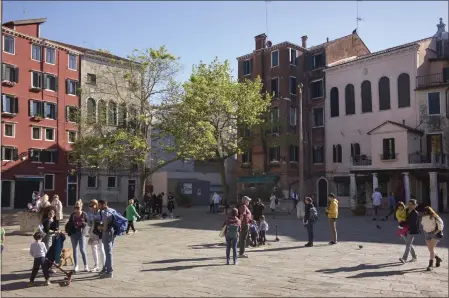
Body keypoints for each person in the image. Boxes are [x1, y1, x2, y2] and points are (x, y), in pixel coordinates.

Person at [67, 200, 89, 273]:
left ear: (81, 207)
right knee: (75, 250)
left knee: (82, 250)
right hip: (73, 234)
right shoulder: (72, 215)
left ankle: (86, 265)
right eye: (75, 207)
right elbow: (69, 223)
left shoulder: (84, 214)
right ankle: (76, 266)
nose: (76, 209)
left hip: (81, 233)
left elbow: (87, 223)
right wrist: (73, 224)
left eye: (78, 207)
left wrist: (82, 223)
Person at [421, 206, 444, 271]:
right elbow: (422, 224)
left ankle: (430, 265)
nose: (425, 212)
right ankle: (438, 258)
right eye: (425, 211)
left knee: (431, 249)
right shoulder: (424, 217)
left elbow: (441, 225)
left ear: (430, 211)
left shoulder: (435, 217)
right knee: (430, 250)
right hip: (426, 233)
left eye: (427, 211)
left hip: (434, 233)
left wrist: (436, 232)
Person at [97, 200, 115, 278]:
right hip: (113, 233)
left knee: (108, 253)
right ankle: (107, 269)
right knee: (109, 252)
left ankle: (109, 272)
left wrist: (99, 227)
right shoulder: (112, 210)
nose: (98, 207)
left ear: (104, 204)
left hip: (106, 233)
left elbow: (105, 227)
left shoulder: (104, 212)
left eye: (99, 205)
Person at [399, 199, 419, 264]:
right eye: (409, 204)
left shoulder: (415, 213)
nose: (410, 205)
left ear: (414, 205)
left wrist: (403, 223)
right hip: (404, 229)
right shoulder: (406, 210)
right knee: (409, 244)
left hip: (411, 230)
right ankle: (414, 257)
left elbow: (412, 223)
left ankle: (404, 258)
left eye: (411, 204)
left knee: (408, 244)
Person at [88, 199, 105, 273]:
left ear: (96, 205)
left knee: (101, 249)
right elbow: (89, 224)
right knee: (94, 249)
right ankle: (96, 265)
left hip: (100, 233)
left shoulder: (101, 212)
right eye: (90, 206)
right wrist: (91, 222)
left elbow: (104, 221)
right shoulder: (90, 213)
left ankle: (104, 266)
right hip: (93, 233)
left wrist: (97, 221)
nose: (91, 207)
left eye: (92, 205)